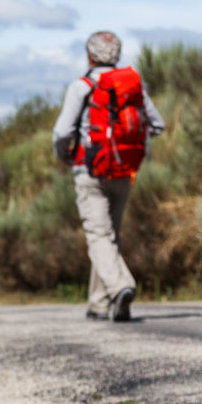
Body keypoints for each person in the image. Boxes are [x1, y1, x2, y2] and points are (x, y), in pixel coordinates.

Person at [52, 31, 165, 322]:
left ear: (90, 56)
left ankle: (120, 287)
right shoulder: (132, 86)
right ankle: (98, 303)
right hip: (125, 170)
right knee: (109, 236)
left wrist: (65, 154)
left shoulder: (83, 87)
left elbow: (63, 132)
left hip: (90, 171)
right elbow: (157, 124)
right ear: (116, 55)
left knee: (98, 235)